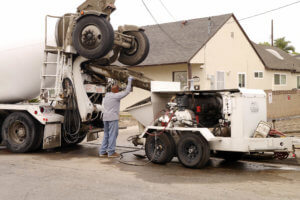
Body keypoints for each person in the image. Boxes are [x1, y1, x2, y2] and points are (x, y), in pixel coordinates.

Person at [99, 76, 133, 158]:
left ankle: (103, 152)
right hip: (112, 118)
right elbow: (127, 91)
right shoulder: (116, 96)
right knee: (113, 134)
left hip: (105, 117)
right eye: (119, 89)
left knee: (106, 134)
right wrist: (130, 81)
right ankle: (111, 152)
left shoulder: (107, 95)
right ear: (117, 91)